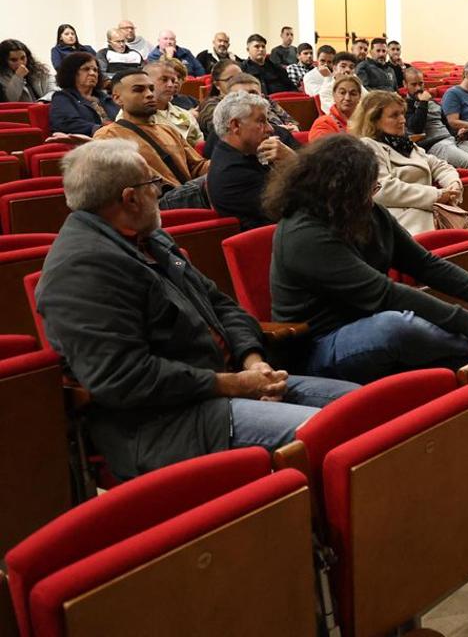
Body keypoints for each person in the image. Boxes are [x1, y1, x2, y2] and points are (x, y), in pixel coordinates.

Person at [34, 139, 356, 481]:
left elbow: (221, 305)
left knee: (366, 406)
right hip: (169, 424)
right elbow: (124, 379)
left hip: (228, 383)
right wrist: (234, 384)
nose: (159, 192)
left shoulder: (149, 239)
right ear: (130, 198)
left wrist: (252, 360)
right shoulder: (80, 271)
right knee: (339, 435)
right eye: (153, 184)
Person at [267, 135, 468, 382]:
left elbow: (424, 264)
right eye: (368, 189)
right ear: (338, 190)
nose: (372, 197)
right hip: (320, 346)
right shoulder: (303, 234)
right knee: (395, 325)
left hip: (366, 325)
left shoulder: (365, 212)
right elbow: (385, 294)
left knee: (401, 324)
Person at [351, 91, 464, 233]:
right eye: (394, 115)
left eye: (402, 113)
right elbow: (383, 189)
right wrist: (436, 195)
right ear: (373, 121)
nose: (403, 120)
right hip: (397, 222)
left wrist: (453, 184)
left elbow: (439, 165)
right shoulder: (367, 146)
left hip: (426, 213)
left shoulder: (404, 144)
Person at [93, 69, 209, 191]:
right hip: (152, 201)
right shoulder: (108, 136)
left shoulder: (169, 131)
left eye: (151, 89)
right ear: (117, 98)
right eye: (138, 90)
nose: (149, 94)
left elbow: (198, 167)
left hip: (186, 194)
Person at [207, 91, 295, 229]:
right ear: (235, 126)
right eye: (261, 121)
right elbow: (296, 206)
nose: (270, 129)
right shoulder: (233, 173)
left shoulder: (241, 153)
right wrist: (293, 162)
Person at [403, 66, 468, 170]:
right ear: (405, 84)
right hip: (434, 144)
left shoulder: (432, 102)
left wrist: (458, 132)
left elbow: (446, 124)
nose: (418, 88)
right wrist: (423, 103)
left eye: (421, 83)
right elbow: (416, 128)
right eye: (413, 84)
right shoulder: (404, 106)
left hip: (453, 139)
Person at [201, 72, 300, 157]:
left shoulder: (281, 133)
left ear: (262, 97)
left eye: (253, 95)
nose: (247, 100)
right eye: (239, 96)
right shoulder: (219, 136)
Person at [49, 52, 118, 136]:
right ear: (72, 73)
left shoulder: (106, 98)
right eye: (86, 69)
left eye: (95, 70)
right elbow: (65, 123)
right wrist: (101, 129)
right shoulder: (63, 97)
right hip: (89, 142)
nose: (93, 73)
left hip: (118, 137)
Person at [137, 60, 202, 146]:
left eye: (173, 80)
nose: (171, 85)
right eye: (164, 80)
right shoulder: (133, 116)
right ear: (146, 82)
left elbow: (199, 148)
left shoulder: (185, 116)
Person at [310, 75, 363, 140]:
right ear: (334, 95)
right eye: (342, 93)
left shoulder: (366, 122)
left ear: (359, 97)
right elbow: (322, 149)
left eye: (353, 94)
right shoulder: (324, 123)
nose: (347, 98)